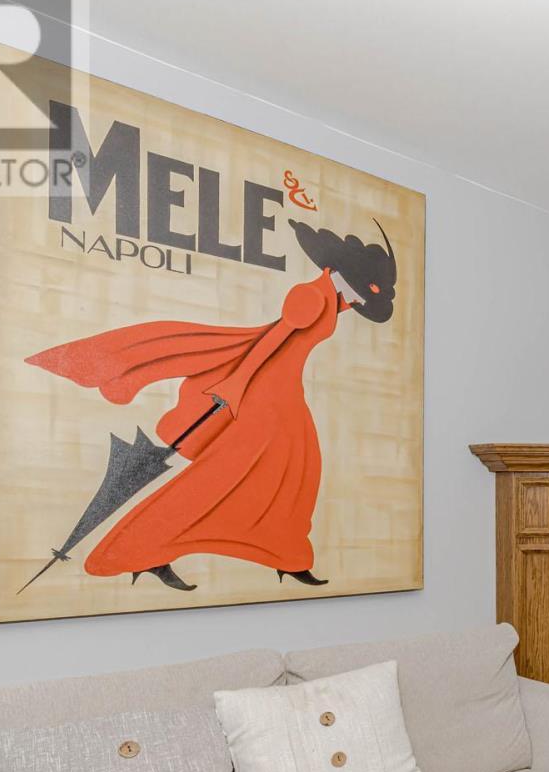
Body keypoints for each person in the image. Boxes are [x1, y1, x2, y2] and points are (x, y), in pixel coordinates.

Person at [26, 219, 398, 590]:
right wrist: (235, 385)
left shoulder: (328, 297)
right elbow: (269, 344)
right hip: (263, 393)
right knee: (231, 473)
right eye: (363, 294)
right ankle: (138, 549)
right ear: (350, 276)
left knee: (296, 470)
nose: (359, 303)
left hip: (282, 392)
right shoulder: (312, 297)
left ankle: (285, 550)